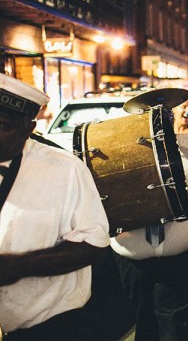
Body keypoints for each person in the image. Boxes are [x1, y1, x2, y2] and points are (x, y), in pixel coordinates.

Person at [0, 73, 110, 340]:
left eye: (3, 126)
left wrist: (21, 266)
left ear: (29, 127)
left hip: (48, 328)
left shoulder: (65, 169)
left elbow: (94, 244)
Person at [111, 96, 188, 341]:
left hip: (181, 258)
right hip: (134, 262)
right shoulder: (122, 150)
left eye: (164, 114)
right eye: (150, 115)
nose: (157, 120)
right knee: (143, 328)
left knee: (176, 330)